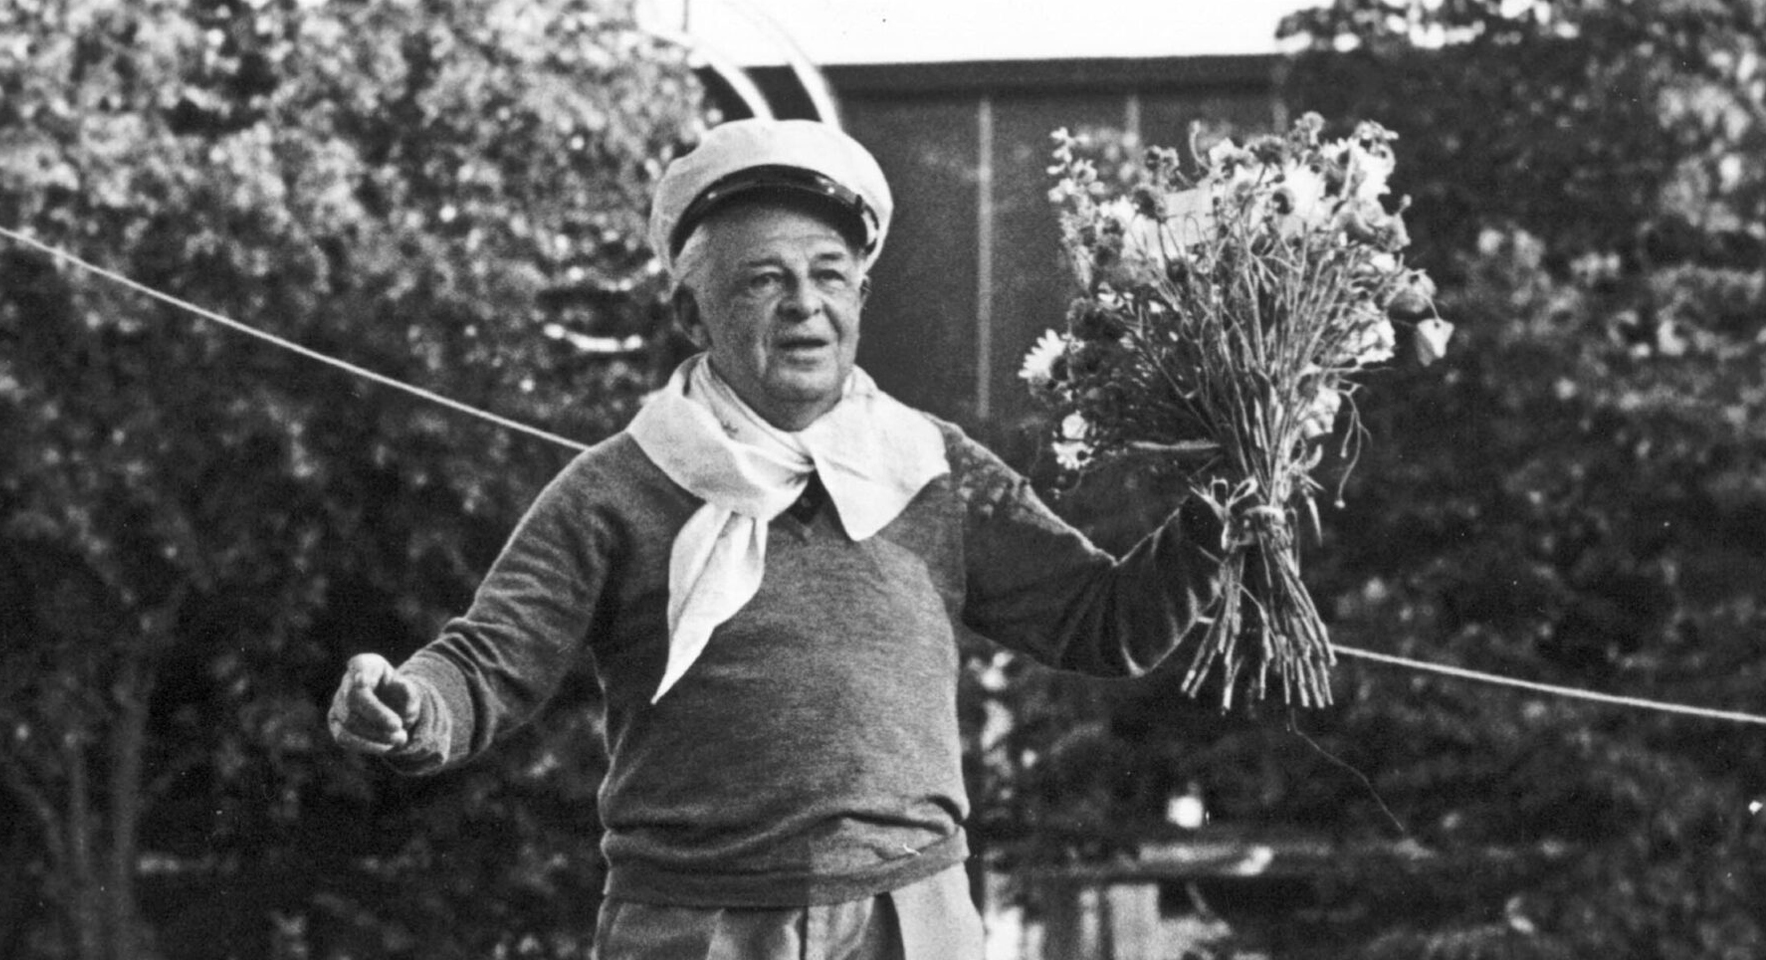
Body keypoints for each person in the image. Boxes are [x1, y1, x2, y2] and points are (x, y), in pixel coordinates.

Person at [327, 118, 1227, 959]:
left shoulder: (932, 466)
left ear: (860, 295)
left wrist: (1217, 520)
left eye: (829, 274)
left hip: (914, 921)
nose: (805, 305)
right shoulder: (617, 485)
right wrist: (409, 704)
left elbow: (1102, 623)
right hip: (694, 923)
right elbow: (487, 662)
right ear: (691, 314)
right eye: (762, 279)